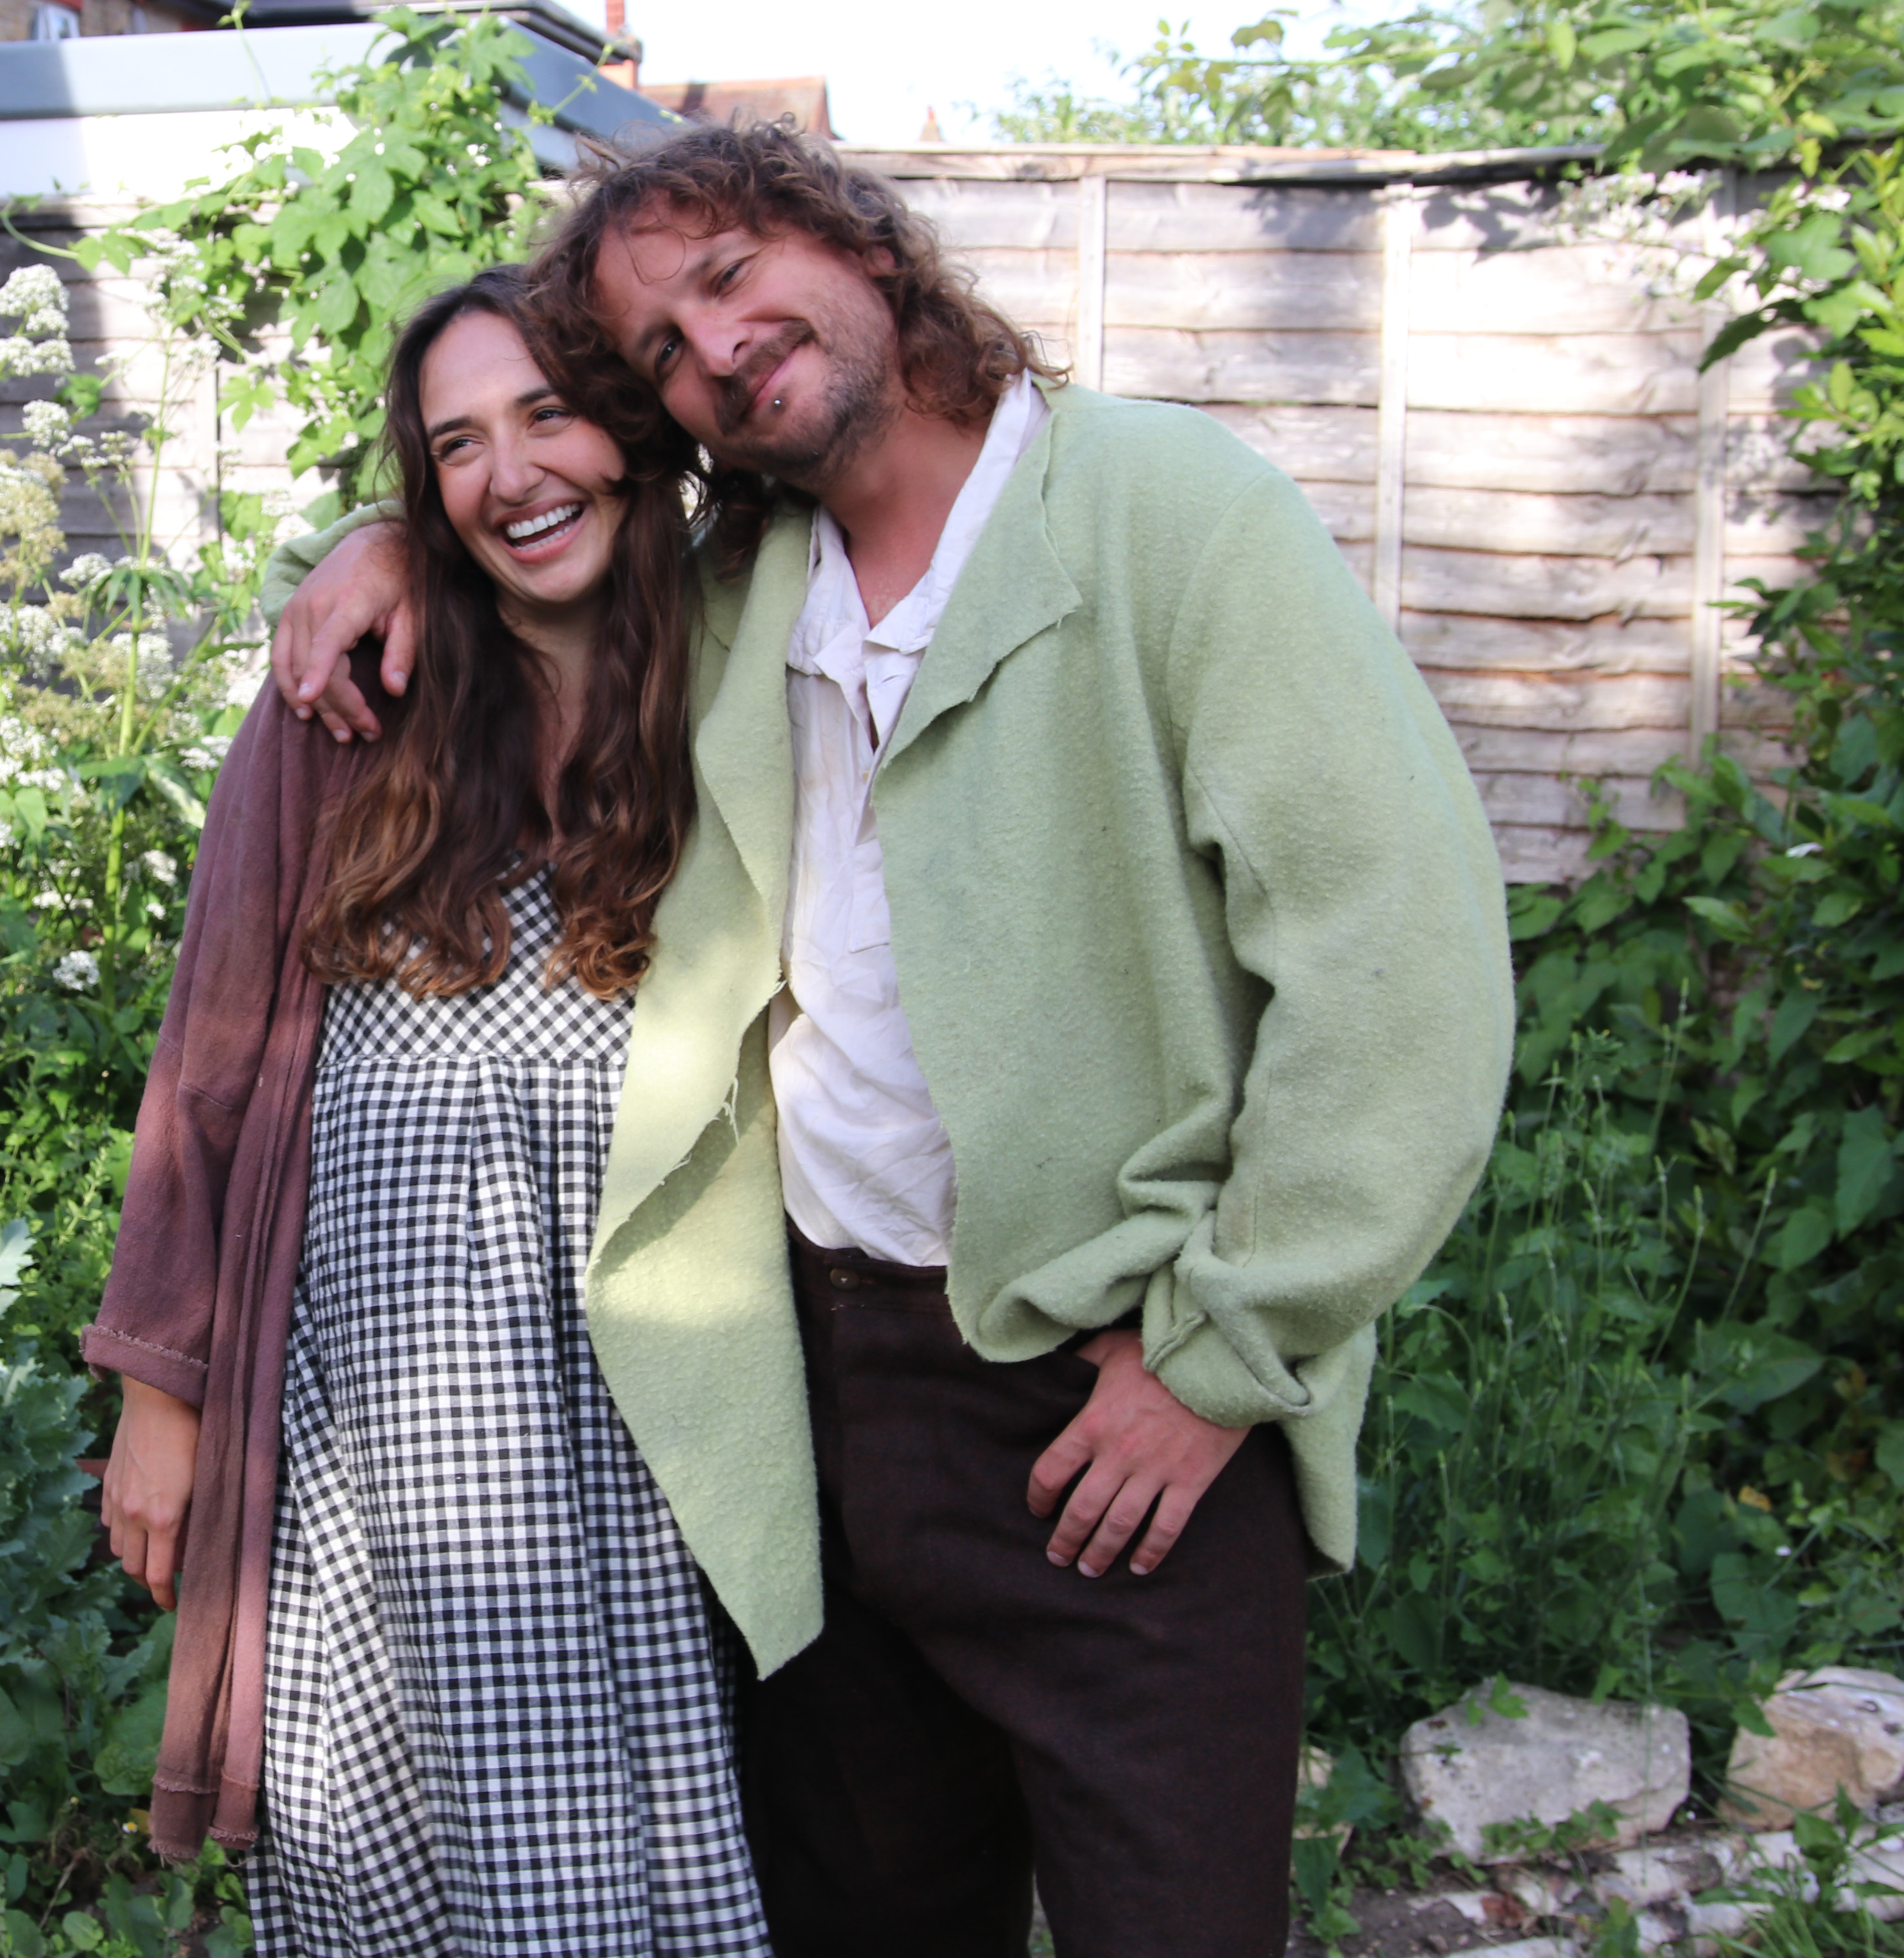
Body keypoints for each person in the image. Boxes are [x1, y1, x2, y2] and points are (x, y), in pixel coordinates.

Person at [264, 124, 1517, 1957]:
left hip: (1108, 1397)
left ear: (857, 238)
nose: (717, 348)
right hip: (823, 1402)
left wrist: (1220, 1355)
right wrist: (388, 537)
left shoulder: (1164, 516)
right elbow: (545, 538)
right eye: (664, 350)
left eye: (729, 276)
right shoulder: (742, 588)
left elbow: (1398, 974)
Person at [82, 266, 794, 1956]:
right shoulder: (353, 707)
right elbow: (210, 1055)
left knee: (627, 1844)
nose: (508, 473)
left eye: (547, 414)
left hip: (637, 1421)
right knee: (378, 1847)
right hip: (380, 1432)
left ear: (632, 430)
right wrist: (163, 1391)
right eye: (455, 445)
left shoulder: (736, 682)